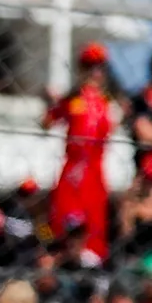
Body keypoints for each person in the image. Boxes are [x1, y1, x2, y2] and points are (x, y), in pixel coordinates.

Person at [42, 43, 121, 256]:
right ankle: (57, 254)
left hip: (95, 171)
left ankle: (91, 261)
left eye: (99, 67)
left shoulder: (108, 103)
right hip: (73, 169)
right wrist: (52, 102)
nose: (95, 72)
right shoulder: (73, 99)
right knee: (61, 219)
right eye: (90, 66)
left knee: (94, 224)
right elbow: (48, 121)